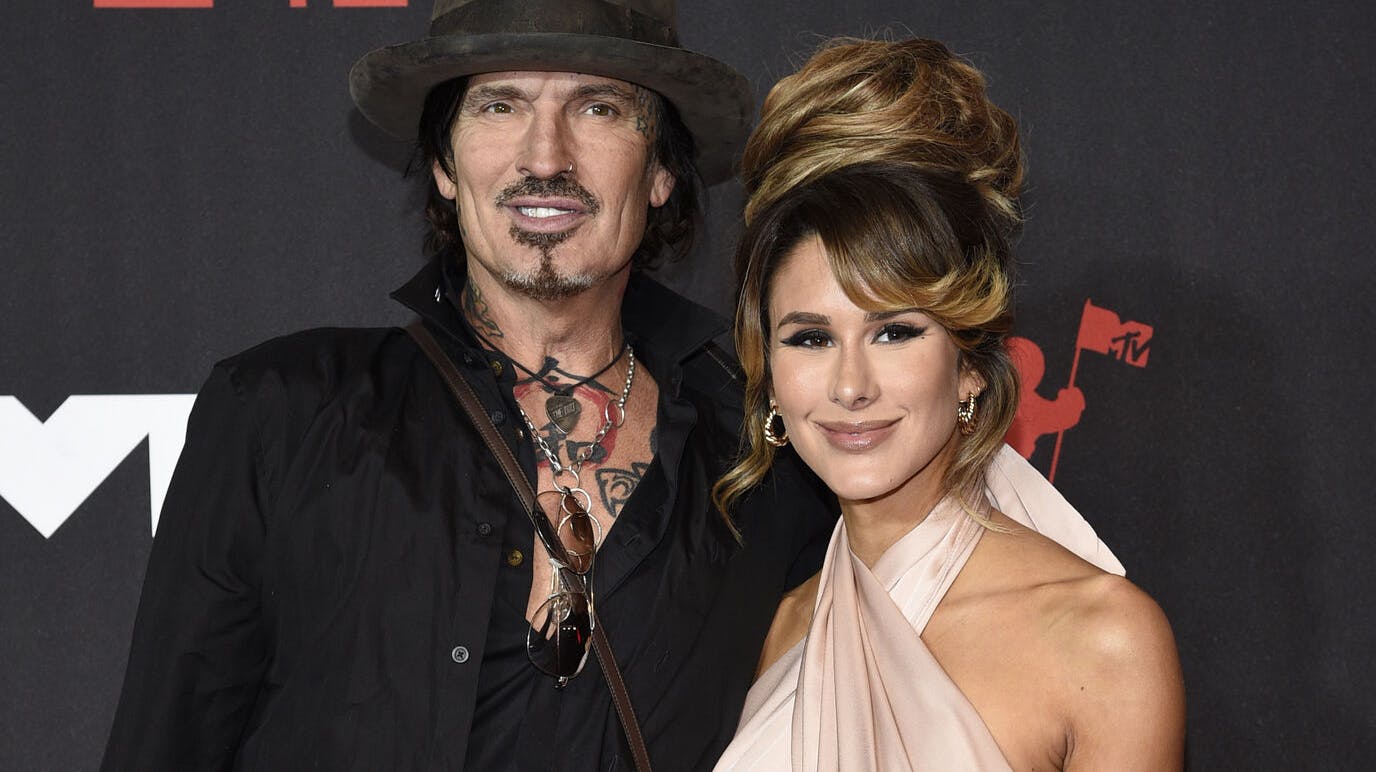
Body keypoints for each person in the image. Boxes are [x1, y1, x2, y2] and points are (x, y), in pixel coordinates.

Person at [98, 2, 843, 769]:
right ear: (445, 166)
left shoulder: (769, 457)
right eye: (499, 105)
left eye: (597, 107)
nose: (546, 156)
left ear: (659, 172)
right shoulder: (281, 414)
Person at [712, 38, 1185, 770]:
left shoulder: (1101, 638)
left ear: (969, 366)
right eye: (809, 339)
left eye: (894, 332)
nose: (849, 386)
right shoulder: (786, 628)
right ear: (768, 373)